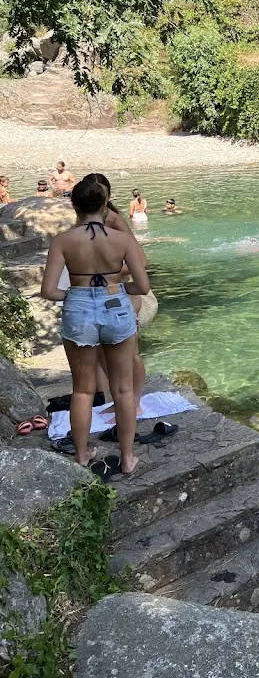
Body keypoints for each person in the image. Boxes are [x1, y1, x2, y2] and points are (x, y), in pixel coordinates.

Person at [39, 179, 150, 472]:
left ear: (74, 205)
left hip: (78, 310)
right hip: (116, 307)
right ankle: (127, 459)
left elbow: (49, 291)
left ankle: (82, 455)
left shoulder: (63, 240)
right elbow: (142, 284)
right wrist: (114, 290)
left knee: (83, 390)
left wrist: (78, 295)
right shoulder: (122, 239)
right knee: (124, 389)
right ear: (105, 205)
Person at [81, 173, 148, 418]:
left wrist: (109, 275)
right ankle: (123, 399)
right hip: (98, 297)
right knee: (101, 352)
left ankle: (136, 401)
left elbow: (141, 261)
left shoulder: (115, 221)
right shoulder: (87, 220)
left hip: (121, 294)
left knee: (130, 353)